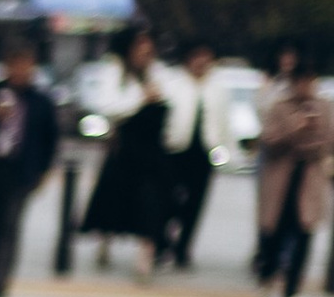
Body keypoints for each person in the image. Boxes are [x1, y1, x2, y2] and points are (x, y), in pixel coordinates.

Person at [78, 26, 195, 272]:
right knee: (113, 202)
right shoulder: (116, 72)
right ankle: (105, 242)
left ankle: (146, 254)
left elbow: (175, 103)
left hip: (153, 152)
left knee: (152, 204)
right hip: (125, 150)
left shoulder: (159, 73)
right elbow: (110, 106)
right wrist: (142, 97)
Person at [0, 39, 62, 297]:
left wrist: (44, 171)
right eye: (14, 65)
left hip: (22, 171)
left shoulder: (40, 101)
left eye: (24, 65)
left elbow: (51, 139)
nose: (19, 71)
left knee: (11, 224)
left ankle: (3, 278)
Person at [254, 50, 333, 297]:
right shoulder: (279, 106)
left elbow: (328, 142)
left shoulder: (325, 107)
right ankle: (268, 272)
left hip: (309, 176)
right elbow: (269, 140)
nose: (306, 86)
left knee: (304, 230)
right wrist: (295, 128)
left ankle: (292, 287)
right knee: (276, 229)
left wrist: (312, 131)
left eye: (311, 80)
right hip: (281, 176)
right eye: (301, 80)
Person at [160, 40, 233, 270]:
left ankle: (183, 248)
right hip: (175, 149)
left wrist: (228, 152)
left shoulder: (217, 89)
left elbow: (224, 123)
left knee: (195, 203)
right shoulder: (173, 84)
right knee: (168, 200)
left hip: (203, 152)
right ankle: (163, 242)